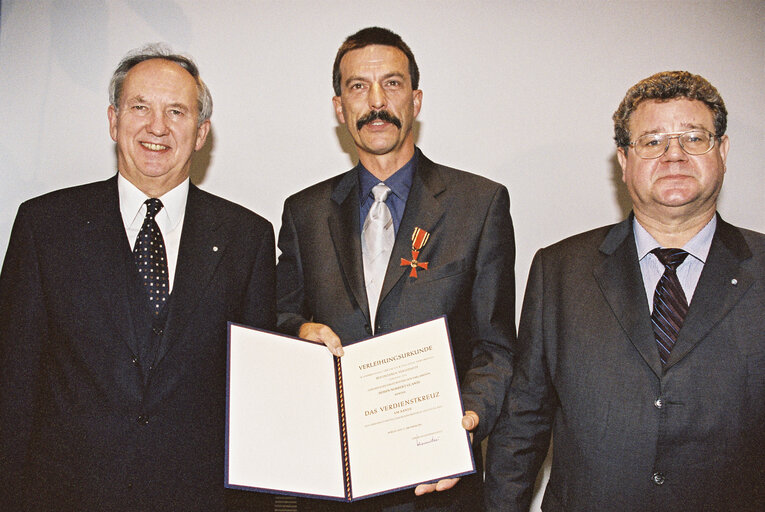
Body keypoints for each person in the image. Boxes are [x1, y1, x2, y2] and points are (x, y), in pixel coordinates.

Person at [0, 44, 275, 511]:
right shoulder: (44, 226)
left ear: (201, 131)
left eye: (177, 111)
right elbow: (13, 386)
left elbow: (256, 404)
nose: (157, 127)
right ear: (113, 120)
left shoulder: (248, 238)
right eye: (140, 107)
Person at [485, 70, 765, 511]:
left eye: (694, 138)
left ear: (723, 151)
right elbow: (523, 420)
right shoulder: (559, 271)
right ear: (622, 159)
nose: (674, 155)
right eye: (652, 142)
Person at [276, 26, 515, 510]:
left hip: (438, 485)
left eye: (392, 83)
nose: (376, 101)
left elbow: (495, 346)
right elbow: (279, 319)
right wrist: (299, 332)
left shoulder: (480, 204)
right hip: (332, 483)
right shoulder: (304, 212)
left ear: (416, 100)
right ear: (340, 107)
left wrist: (468, 417)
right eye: (357, 87)